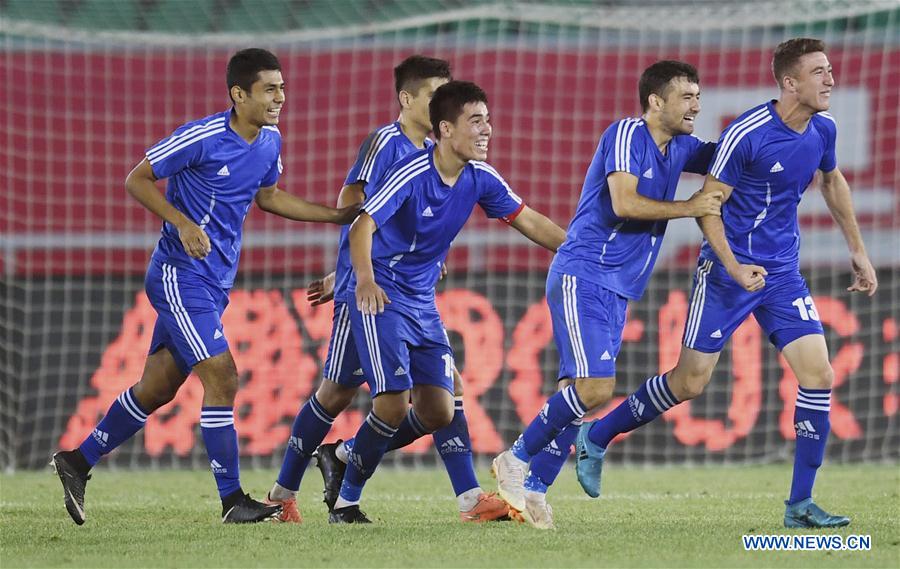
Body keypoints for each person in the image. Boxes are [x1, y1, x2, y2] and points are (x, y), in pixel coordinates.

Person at [574, 38, 877, 529]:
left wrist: (857, 250)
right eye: (819, 72)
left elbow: (832, 180)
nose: (830, 80)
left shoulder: (824, 130)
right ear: (789, 82)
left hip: (781, 274)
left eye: (830, 70)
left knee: (819, 374)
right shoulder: (747, 133)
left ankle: (800, 505)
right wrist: (735, 269)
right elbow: (707, 206)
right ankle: (598, 435)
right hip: (724, 272)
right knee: (690, 382)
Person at [50, 48, 358, 525]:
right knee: (223, 375)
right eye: (270, 89)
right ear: (239, 94)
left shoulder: (270, 141)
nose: (281, 97)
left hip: (215, 282)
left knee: (157, 389)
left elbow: (269, 197)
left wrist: (335, 216)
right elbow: (138, 179)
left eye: (283, 87)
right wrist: (182, 222)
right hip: (178, 274)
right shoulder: (204, 136)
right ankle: (232, 499)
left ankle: (77, 461)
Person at [265, 56, 508, 524]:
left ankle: (463, 495)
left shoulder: (447, 158)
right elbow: (354, 206)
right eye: (435, 93)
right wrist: (350, 274)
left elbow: (422, 221)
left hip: (408, 294)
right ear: (409, 99)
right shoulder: (388, 144)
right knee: (338, 395)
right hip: (368, 292)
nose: (443, 101)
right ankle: (288, 492)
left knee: (439, 392)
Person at [492, 60, 722, 529]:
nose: (697, 104)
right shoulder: (626, 134)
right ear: (656, 101)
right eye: (687, 96)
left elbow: (727, 157)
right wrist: (689, 207)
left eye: (699, 95)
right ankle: (514, 460)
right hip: (585, 272)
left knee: (579, 394)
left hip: (619, 288)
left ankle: (534, 492)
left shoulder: (681, 147)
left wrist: (777, 136)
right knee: (596, 388)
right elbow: (623, 202)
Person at [329, 80, 568, 523]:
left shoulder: (481, 177)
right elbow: (362, 224)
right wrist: (363, 279)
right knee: (390, 403)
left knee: (440, 408)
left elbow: (528, 219)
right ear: (445, 129)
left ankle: (343, 455)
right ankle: (345, 502)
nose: (487, 130)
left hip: (421, 300)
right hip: (381, 295)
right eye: (475, 121)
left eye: (488, 120)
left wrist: (578, 254)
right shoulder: (411, 172)